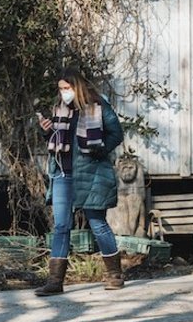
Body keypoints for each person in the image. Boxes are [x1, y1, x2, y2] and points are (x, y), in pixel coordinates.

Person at [34, 68, 126, 296]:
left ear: (77, 87)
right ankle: (55, 282)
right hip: (62, 173)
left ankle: (114, 275)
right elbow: (57, 139)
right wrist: (46, 132)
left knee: (97, 223)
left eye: (67, 88)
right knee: (61, 226)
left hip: (91, 172)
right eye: (61, 89)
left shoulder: (97, 105)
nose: (63, 93)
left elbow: (116, 133)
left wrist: (100, 150)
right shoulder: (60, 109)